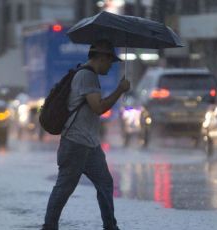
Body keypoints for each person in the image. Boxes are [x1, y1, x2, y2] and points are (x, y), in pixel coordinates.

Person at [41, 40, 130, 230]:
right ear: (100, 58)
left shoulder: (88, 75)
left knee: (105, 183)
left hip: (89, 144)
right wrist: (120, 90)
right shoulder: (86, 76)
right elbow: (98, 107)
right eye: (109, 62)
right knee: (65, 187)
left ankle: (110, 226)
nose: (110, 66)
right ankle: (49, 226)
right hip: (75, 142)